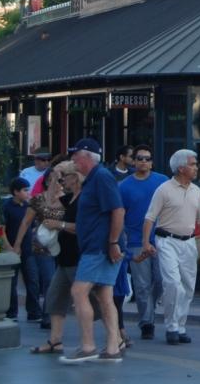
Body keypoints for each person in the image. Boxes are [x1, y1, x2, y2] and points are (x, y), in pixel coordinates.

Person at [60, 139, 126, 364]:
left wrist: (113, 242)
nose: (72, 159)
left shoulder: (101, 177)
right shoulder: (93, 179)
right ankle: (112, 348)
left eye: (75, 155)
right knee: (104, 296)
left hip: (99, 247)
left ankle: (88, 346)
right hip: (98, 246)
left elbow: (118, 210)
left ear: (87, 157)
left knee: (79, 292)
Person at [141, 148, 200, 348]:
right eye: (193, 164)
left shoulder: (196, 191)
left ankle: (180, 326)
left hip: (189, 242)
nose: (196, 168)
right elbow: (150, 217)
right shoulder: (163, 189)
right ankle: (171, 326)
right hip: (167, 241)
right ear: (181, 168)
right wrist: (146, 242)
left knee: (188, 286)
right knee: (172, 283)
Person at [30, 160, 82, 355]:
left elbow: (82, 228)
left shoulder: (84, 199)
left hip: (79, 256)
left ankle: (115, 338)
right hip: (64, 256)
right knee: (55, 298)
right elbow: (50, 204)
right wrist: (53, 178)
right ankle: (55, 341)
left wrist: (60, 225)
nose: (61, 182)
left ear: (74, 178)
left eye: (63, 178)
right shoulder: (68, 198)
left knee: (93, 301)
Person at [120, 144, 167, 339]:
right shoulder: (124, 186)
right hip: (136, 241)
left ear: (152, 162)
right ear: (133, 161)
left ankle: (150, 311)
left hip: (162, 239)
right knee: (141, 285)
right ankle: (146, 322)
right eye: (139, 158)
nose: (143, 162)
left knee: (162, 280)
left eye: (147, 159)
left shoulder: (162, 181)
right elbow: (119, 215)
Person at [15, 165, 64, 330]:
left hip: (65, 245)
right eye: (52, 180)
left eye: (60, 180)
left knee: (62, 282)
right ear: (46, 182)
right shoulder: (38, 199)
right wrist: (17, 245)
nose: (57, 183)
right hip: (43, 246)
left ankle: (54, 313)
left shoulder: (68, 199)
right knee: (49, 280)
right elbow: (25, 222)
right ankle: (48, 316)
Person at [3, 178, 35, 321]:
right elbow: (1, 229)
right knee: (12, 283)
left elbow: (32, 228)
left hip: (28, 250)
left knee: (32, 281)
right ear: (16, 192)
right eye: (25, 190)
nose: (28, 193)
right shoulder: (6, 207)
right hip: (11, 249)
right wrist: (9, 247)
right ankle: (12, 313)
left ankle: (34, 312)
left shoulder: (29, 207)